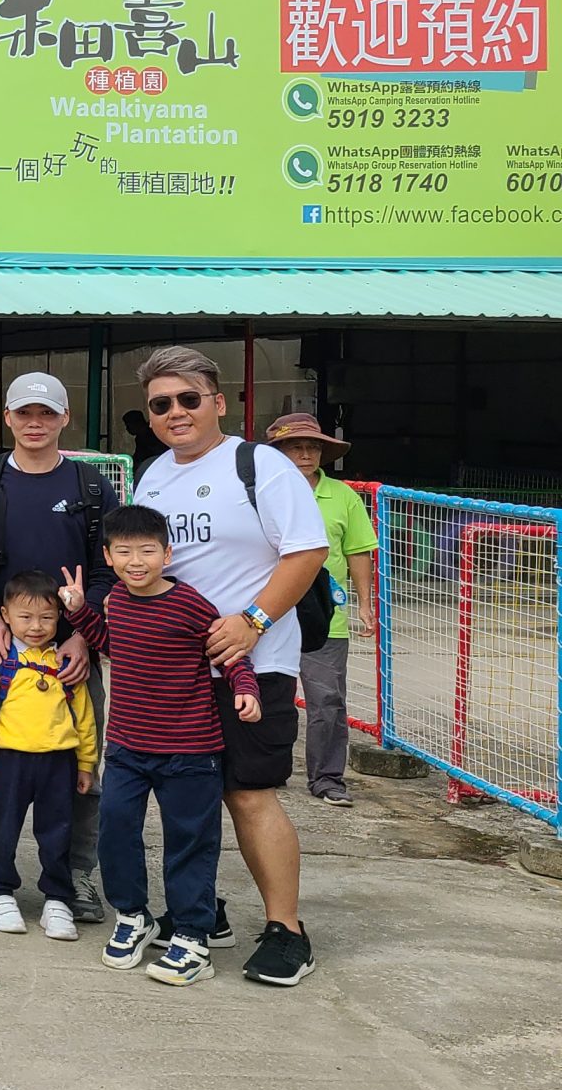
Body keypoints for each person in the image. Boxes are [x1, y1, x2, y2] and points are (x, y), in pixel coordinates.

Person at [128, 346, 327, 987]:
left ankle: (287, 930)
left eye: (189, 399)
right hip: (175, 673)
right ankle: (201, 910)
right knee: (184, 797)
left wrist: (253, 621)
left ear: (218, 402)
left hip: (253, 664)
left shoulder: (261, 465)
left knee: (248, 792)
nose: (176, 412)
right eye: (161, 403)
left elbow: (307, 551)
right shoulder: (152, 477)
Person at [79, 505, 264, 987]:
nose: (135, 561)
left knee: (190, 844)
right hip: (126, 748)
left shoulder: (190, 604)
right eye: (124, 552)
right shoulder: (115, 601)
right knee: (115, 831)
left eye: (147, 551)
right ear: (108, 557)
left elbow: (228, 655)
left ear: (167, 554)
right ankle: (132, 916)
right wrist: (79, 611)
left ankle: (193, 937)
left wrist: (246, 689)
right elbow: (112, 645)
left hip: (190, 750)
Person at [0, 370, 115, 920]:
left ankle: (77, 872)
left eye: (47, 413)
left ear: (65, 418)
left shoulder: (89, 486)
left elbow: (106, 569)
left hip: (71, 649)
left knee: (77, 762)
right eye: (25, 412)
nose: (35, 423)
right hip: (1, 650)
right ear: (8, 418)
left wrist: (83, 636)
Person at [0, 570, 99, 942]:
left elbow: (84, 717)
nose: (36, 626)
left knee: (57, 832)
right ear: (5, 614)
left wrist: (86, 763)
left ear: (60, 617)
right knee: (1, 829)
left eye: (47, 617)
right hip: (8, 759)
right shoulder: (1, 661)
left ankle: (57, 900)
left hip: (59, 762)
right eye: (25, 617)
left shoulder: (65, 662)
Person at [265, 413, 375, 808]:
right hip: (266, 611)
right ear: (278, 453)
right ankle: (267, 769)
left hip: (326, 616)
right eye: (296, 447)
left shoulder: (343, 496)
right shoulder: (260, 491)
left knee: (327, 700)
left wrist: (365, 603)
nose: (306, 454)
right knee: (266, 694)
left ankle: (327, 778)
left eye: (313, 447)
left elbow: (357, 551)